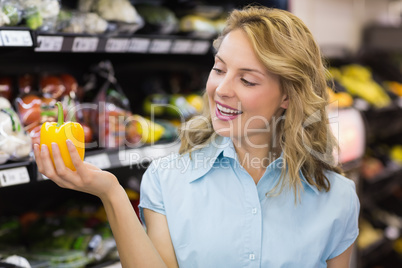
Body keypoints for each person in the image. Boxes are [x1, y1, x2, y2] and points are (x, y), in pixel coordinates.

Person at [34, 5, 360, 268]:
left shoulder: (337, 198)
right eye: (219, 69)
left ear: (288, 96)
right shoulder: (166, 180)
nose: (221, 90)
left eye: (247, 80)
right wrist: (111, 194)